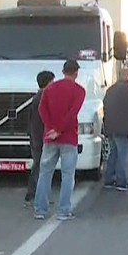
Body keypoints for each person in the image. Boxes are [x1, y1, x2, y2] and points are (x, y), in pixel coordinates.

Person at [34, 59, 86, 220]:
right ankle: (63, 210)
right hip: (68, 137)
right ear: (76, 73)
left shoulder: (49, 89)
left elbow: (42, 109)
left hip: (49, 137)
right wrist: (59, 130)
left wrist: (51, 128)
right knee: (68, 175)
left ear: (63, 72)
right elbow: (72, 113)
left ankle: (40, 209)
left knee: (45, 173)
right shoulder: (79, 91)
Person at [102, 65, 128, 191]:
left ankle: (109, 180)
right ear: (125, 76)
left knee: (113, 153)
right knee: (122, 155)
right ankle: (121, 181)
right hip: (123, 128)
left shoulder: (110, 90)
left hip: (110, 127)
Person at [24, 70, 55, 208]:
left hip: (36, 137)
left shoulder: (37, 97)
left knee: (41, 167)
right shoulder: (43, 97)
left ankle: (41, 195)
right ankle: (32, 196)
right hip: (40, 138)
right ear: (48, 83)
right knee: (39, 167)